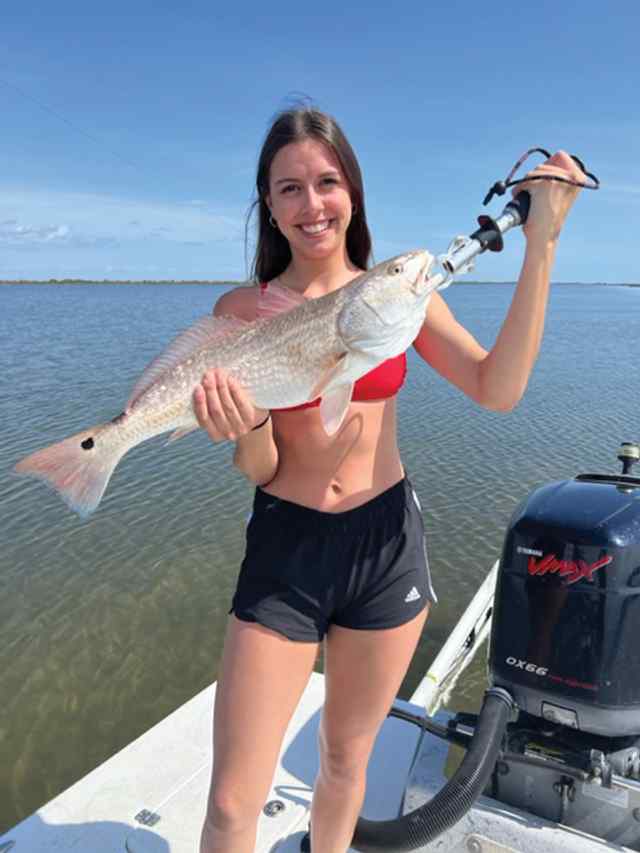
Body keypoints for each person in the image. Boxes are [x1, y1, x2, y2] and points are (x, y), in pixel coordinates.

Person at [195, 106, 583, 853]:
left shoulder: (398, 291)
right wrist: (243, 424)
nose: (313, 205)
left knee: (345, 763)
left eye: (327, 182)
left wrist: (543, 244)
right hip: (285, 548)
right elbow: (263, 467)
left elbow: (496, 388)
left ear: (354, 192)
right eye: (290, 189)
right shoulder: (242, 314)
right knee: (230, 802)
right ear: (268, 206)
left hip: (386, 547)